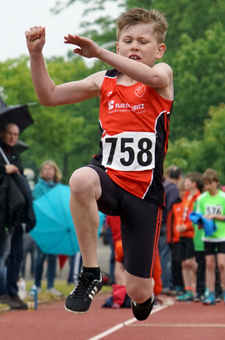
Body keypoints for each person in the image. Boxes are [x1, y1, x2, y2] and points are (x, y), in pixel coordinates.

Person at [25, 7, 173, 321]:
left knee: (138, 290)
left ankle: (142, 296)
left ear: (159, 50)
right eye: (127, 40)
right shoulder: (102, 81)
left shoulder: (162, 77)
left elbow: (151, 75)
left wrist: (99, 52)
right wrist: (36, 56)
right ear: (118, 45)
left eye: (143, 42)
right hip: (107, 178)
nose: (134, 46)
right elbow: (49, 96)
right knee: (80, 179)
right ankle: (91, 272)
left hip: (144, 194)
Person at [0, 123, 28, 309]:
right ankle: (3, 292)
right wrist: (3, 169)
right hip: (2, 212)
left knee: (18, 252)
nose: (12, 137)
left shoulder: (15, 154)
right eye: (9, 133)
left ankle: (12, 291)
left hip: (16, 211)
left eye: (16, 134)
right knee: (2, 253)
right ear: (2, 133)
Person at [32, 160, 63, 296]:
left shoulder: (59, 187)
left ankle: (51, 285)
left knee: (52, 257)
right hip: (43, 226)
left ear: (55, 171)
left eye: (50, 169)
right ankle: (37, 284)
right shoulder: (39, 187)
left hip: (56, 226)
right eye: (45, 169)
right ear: (42, 172)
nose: (48, 171)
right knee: (40, 256)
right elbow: (40, 204)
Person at [196, 169, 225, 305]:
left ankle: (223, 292)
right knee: (209, 265)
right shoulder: (201, 199)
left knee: (222, 264)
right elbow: (199, 217)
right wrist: (201, 223)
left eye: (210, 183)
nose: (207, 186)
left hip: (222, 236)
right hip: (207, 236)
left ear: (216, 183)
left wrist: (214, 216)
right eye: (205, 184)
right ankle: (211, 293)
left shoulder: (223, 197)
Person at [176, 172, 203, 302]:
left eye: (187, 181)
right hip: (183, 234)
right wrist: (180, 226)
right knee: (184, 264)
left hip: (192, 234)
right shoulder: (186, 196)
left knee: (191, 262)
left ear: (194, 184)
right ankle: (188, 290)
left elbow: (196, 217)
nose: (184, 183)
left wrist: (186, 227)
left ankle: (203, 286)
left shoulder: (199, 198)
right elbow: (183, 214)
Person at [159, 166, 182, 293]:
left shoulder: (162, 186)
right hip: (165, 225)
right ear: (179, 177)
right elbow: (171, 208)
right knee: (166, 255)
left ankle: (160, 282)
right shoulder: (174, 189)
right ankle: (166, 284)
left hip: (158, 222)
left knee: (160, 254)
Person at [166, 177, 185, 295]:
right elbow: (169, 222)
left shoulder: (191, 202)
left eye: (185, 191)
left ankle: (186, 285)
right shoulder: (175, 203)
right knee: (176, 261)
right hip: (176, 239)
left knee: (186, 263)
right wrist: (169, 239)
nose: (183, 193)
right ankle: (177, 284)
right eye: (181, 191)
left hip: (188, 238)